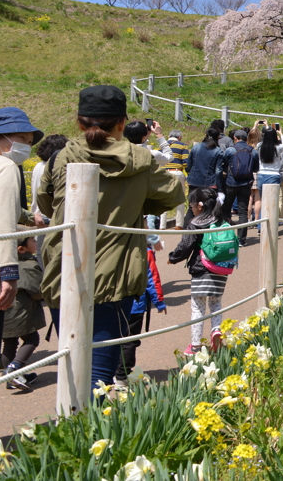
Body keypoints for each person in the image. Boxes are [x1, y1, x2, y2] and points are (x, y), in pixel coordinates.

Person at [37, 85, 184, 390]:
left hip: (62, 272)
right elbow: (174, 193)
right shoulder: (140, 161)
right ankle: (90, 436)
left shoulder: (59, 159)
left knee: (71, 377)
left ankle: (71, 433)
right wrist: (137, 200)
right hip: (113, 279)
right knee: (98, 381)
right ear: (122, 123)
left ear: (79, 122)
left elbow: (46, 205)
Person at [167, 188, 233, 354]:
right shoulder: (222, 220)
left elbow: (185, 245)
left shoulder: (196, 223)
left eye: (192, 205)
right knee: (216, 303)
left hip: (201, 269)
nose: (191, 208)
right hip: (221, 269)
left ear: (200, 206)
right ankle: (216, 330)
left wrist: (173, 258)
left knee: (198, 307)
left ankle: (195, 345)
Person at [0, 108, 43, 348]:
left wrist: (27, 217)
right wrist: (9, 274)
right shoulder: (6, 167)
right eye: (20, 139)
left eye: (29, 142)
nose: (26, 146)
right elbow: (4, 225)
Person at [113, 245, 166, 387]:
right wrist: (159, 301)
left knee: (112, 338)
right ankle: (122, 376)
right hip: (134, 304)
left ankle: (109, 373)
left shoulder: (111, 243)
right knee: (129, 340)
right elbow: (151, 277)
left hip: (111, 301)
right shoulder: (144, 249)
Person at [1, 236, 45, 391]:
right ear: (21, 249)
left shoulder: (4, 263)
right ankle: (14, 368)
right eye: (32, 240)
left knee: (10, 342)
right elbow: (37, 291)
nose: (35, 242)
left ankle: (10, 379)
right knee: (32, 339)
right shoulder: (27, 265)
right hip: (21, 311)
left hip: (5, 311)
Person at [222, 130, 258, 247]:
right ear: (246, 138)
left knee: (226, 210)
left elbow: (225, 164)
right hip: (246, 184)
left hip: (231, 183)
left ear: (235, 138)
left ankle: (225, 237)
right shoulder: (253, 151)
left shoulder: (230, 150)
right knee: (243, 212)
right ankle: (241, 239)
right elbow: (255, 168)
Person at [255, 128, 283, 224]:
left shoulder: (259, 146)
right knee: (272, 202)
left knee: (263, 202)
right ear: (275, 137)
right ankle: (271, 225)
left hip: (261, 174)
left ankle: (260, 226)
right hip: (273, 175)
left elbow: (257, 140)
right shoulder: (277, 148)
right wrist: (281, 134)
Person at [186, 127, 226, 199]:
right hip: (210, 183)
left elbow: (189, 164)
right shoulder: (218, 151)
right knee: (208, 207)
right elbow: (218, 171)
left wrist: (190, 174)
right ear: (218, 137)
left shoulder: (196, 147)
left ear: (205, 135)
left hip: (194, 181)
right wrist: (220, 188)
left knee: (192, 206)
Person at [164, 129, 189, 228]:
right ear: (179, 137)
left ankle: (162, 226)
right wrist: (188, 174)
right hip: (177, 172)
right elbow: (185, 162)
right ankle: (179, 225)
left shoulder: (162, 146)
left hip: (164, 173)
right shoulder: (182, 145)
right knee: (180, 199)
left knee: (164, 199)